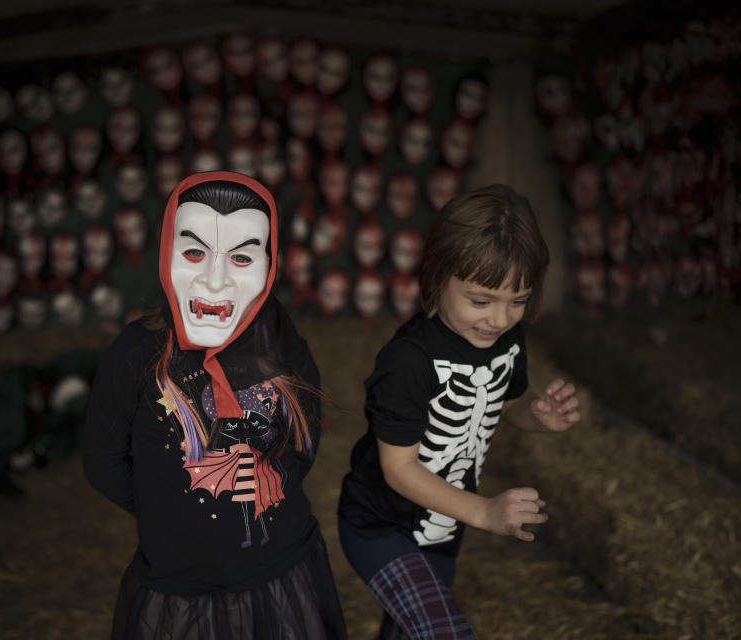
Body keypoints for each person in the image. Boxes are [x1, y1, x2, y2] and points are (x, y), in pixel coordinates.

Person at [83, 171, 348, 640]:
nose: (215, 277)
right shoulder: (136, 353)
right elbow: (102, 460)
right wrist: (161, 506)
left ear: (269, 268)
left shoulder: (278, 337)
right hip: (178, 585)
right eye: (194, 251)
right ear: (166, 254)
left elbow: (304, 435)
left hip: (281, 572)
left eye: (242, 257)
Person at [337, 184, 581, 639]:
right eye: (480, 300)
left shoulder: (507, 338)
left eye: (519, 300)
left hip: (445, 531)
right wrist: (486, 512)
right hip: (381, 529)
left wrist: (538, 416)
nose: (500, 318)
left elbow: (508, 403)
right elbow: (399, 469)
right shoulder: (408, 362)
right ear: (437, 277)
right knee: (443, 632)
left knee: (411, 631)